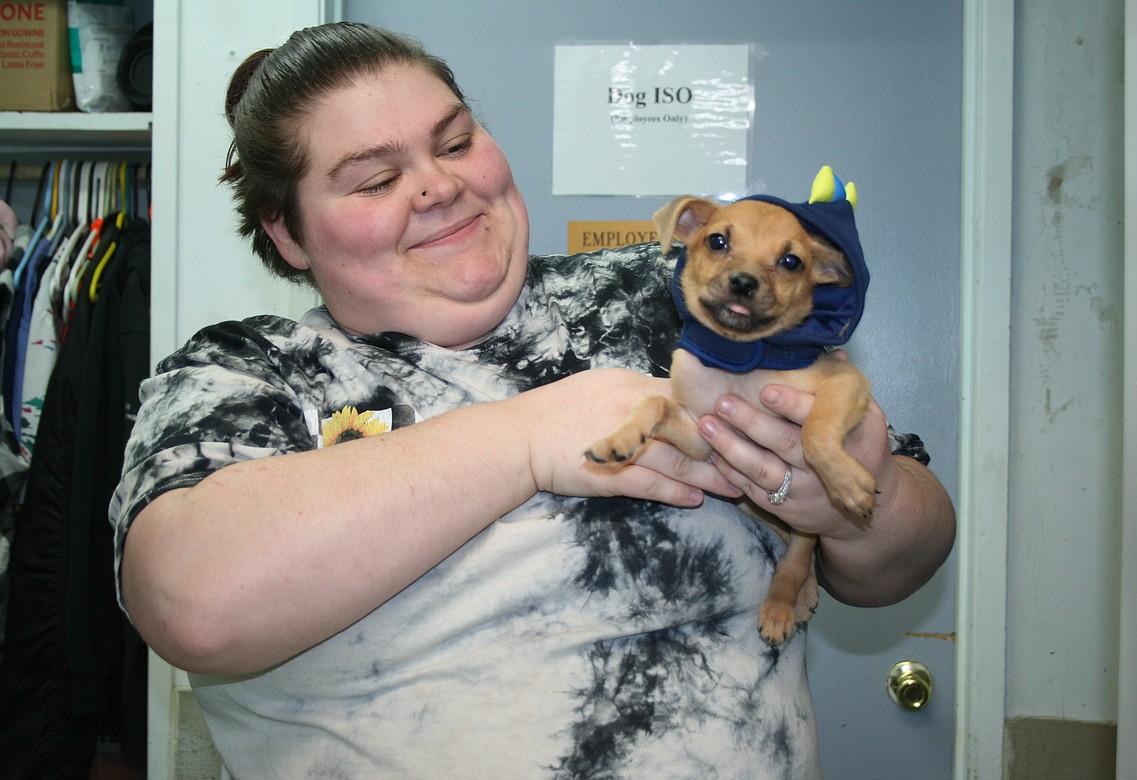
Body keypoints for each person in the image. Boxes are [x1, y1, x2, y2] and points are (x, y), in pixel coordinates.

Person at [109, 22, 955, 779]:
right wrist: (523, 440)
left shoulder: (671, 294)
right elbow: (194, 606)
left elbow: (914, 538)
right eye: (374, 180)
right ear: (287, 231)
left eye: (456, 141)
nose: (437, 185)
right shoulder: (250, 372)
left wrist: (853, 511)